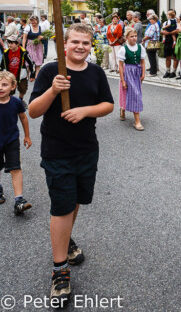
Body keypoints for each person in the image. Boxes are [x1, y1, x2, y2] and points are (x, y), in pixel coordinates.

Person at [28, 23, 114, 307]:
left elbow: (108, 105)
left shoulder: (96, 72)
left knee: (75, 202)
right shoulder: (50, 71)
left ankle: (66, 240)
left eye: (86, 43)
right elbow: (33, 111)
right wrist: (53, 90)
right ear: (64, 44)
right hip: (57, 151)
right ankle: (59, 269)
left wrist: (84, 111)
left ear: (91, 46)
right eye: (75, 42)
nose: (80, 47)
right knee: (62, 206)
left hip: (87, 150)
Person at [0, 71, 32, 214]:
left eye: (4, 85)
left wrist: (27, 136)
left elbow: (23, 118)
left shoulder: (16, 102)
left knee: (15, 168)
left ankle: (19, 200)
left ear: (13, 87)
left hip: (12, 140)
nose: (0, 88)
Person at [119, 27, 146, 130]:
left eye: (135, 36)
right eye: (132, 36)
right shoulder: (123, 49)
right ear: (126, 38)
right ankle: (136, 121)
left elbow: (142, 61)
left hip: (137, 72)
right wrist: (123, 80)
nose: (134, 38)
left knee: (136, 94)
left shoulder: (140, 47)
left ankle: (125, 110)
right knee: (131, 94)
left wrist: (143, 74)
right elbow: (121, 65)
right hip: (128, 72)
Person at [1, 35, 36, 109]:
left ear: (17, 44)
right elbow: (2, 64)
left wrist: (32, 74)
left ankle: (20, 100)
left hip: (21, 75)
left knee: (23, 89)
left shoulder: (23, 52)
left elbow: (31, 63)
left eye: (12, 43)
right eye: (9, 43)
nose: (9, 45)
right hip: (9, 75)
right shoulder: (6, 52)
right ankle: (11, 101)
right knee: (9, 90)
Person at [161, 10, 179, 78]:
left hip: (175, 39)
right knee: (167, 56)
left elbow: (177, 31)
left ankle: (173, 72)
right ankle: (167, 71)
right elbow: (161, 30)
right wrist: (164, 33)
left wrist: (169, 33)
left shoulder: (177, 22)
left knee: (175, 57)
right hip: (168, 40)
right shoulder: (166, 22)